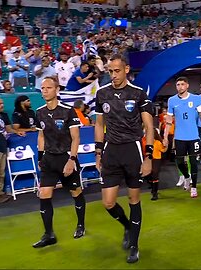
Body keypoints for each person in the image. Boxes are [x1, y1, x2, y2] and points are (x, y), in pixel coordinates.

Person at [94, 54, 154, 263]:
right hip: (111, 151)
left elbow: (149, 126)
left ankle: (135, 246)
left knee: (133, 199)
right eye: (110, 71)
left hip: (133, 150)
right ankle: (128, 226)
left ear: (127, 69)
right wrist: (99, 152)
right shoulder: (102, 94)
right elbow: (99, 124)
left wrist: (148, 156)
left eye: (117, 70)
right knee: (108, 203)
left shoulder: (138, 94)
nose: (113, 75)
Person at [33, 77, 86, 248]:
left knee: (76, 192)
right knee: (44, 194)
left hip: (66, 158)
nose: (45, 90)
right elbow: (41, 136)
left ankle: (80, 225)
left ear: (57, 90)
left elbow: (76, 137)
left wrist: (72, 159)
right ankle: (49, 234)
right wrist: (40, 157)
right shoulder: (39, 112)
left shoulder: (68, 111)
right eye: (42, 88)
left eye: (48, 87)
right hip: (49, 159)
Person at [163, 77, 201, 198]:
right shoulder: (172, 100)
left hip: (193, 136)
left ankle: (194, 187)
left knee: (193, 162)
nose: (180, 87)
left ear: (187, 85)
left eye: (182, 84)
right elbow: (169, 120)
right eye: (178, 84)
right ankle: (186, 176)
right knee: (179, 161)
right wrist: (165, 136)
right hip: (179, 137)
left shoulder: (196, 99)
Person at [0, 98, 25, 203]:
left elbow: (9, 129)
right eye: (0, 104)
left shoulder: (3, 116)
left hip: (2, 146)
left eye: (2, 103)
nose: (2, 105)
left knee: (1, 173)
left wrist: (17, 132)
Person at [142, 128, 167, 200]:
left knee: (155, 174)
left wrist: (166, 145)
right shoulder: (144, 141)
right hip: (148, 159)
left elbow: (163, 150)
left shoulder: (157, 142)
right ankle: (152, 186)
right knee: (149, 174)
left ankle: (154, 193)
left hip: (156, 160)